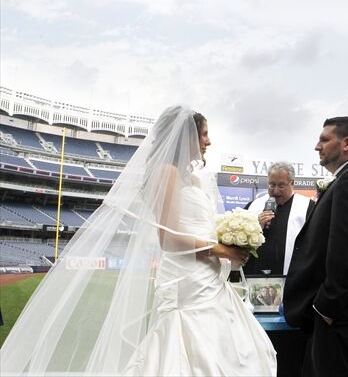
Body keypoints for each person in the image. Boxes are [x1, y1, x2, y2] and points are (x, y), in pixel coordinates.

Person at [0, 106, 276, 376]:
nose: (209, 141)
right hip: (187, 278)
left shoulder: (194, 177)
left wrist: (233, 238)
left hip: (209, 276)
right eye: (203, 134)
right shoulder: (165, 172)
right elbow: (167, 238)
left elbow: (202, 224)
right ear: (186, 137)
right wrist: (220, 248)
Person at [283, 116, 348, 377]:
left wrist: (327, 307)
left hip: (343, 313)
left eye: (324, 139)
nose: (317, 146)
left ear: (347, 144)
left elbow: (347, 251)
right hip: (343, 312)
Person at [244, 161, 315, 276]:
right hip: (255, 274)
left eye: (281, 186)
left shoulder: (308, 207)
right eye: (272, 185)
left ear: (292, 183)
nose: (275, 191)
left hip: (292, 276)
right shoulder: (254, 206)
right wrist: (256, 225)